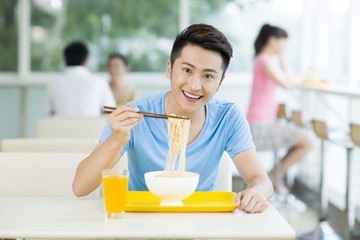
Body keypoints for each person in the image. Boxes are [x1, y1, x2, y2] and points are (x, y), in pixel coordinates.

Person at [72, 24, 273, 213]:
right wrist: (115, 139)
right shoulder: (135, 113)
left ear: (220, 82)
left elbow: (260, 179)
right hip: (141, 222)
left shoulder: (227, 117)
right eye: (187, 70)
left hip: (201, 223)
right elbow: (80, 187)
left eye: (208, 76)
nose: (194, 85)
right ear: (169, 69)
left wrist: (257, 192)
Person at [247, 24, 312, 196]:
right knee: (307, 142)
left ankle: (273, 176)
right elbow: (288, 83)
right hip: (260, 126)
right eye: (283, 41)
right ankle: (274, 177)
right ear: (272, 40)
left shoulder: (264, 60)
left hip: (262, 123)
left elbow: (287, 80)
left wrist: (281, 58)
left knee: (306, 142)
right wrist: (307, 74)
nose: (285, 46)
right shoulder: (264, 61)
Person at [47, 42, 116, 117]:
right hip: (93, 128)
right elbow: (111, 110)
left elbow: (52, 113)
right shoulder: (99, 82)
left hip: (61, 128)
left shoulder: (54, 84)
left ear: (65, 62)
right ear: (85, 61)